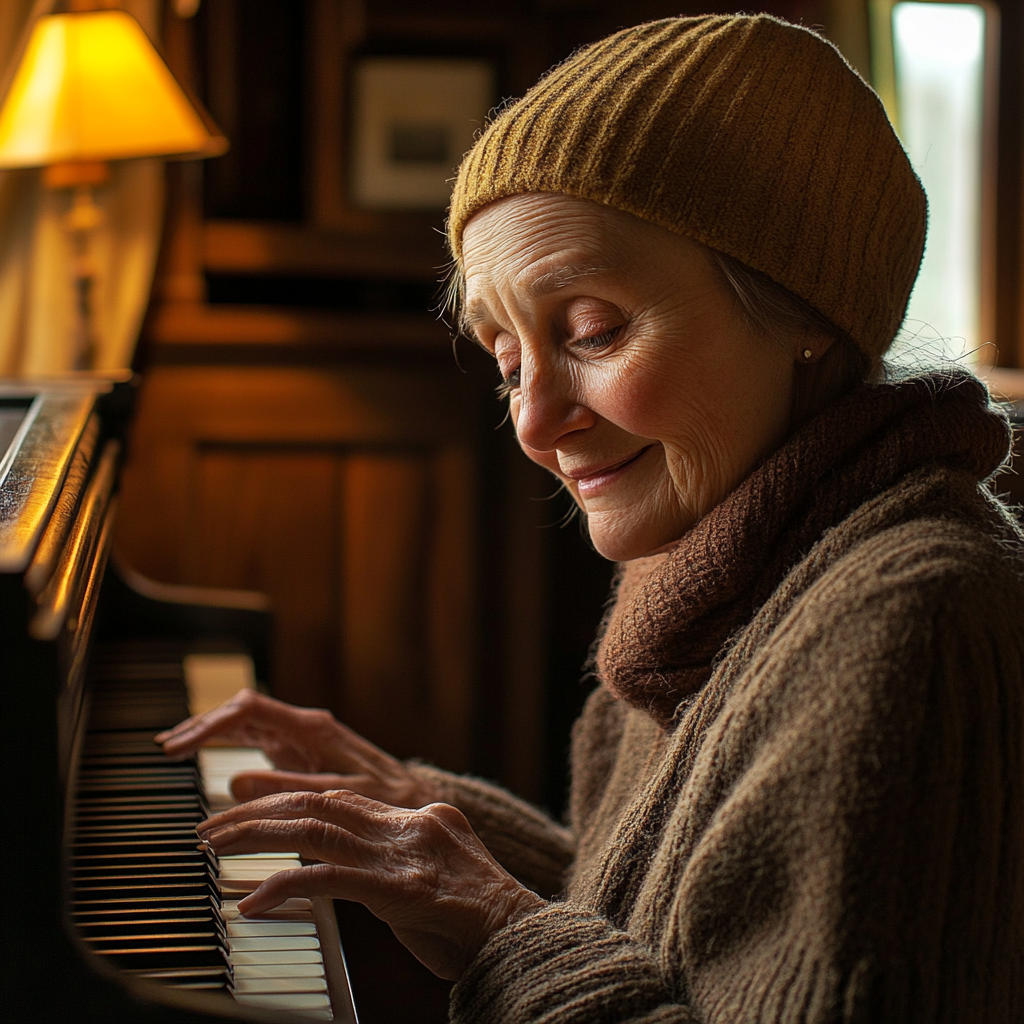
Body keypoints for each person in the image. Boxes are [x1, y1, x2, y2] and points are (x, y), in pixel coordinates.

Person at [156, 14, 1024, 1022]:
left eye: (592, 330)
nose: (533, 422)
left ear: (804, 312)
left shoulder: (906, 623)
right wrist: (417, 813)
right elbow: (687, 934)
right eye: (507, 359)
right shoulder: (727, 554)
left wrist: (495, 930)